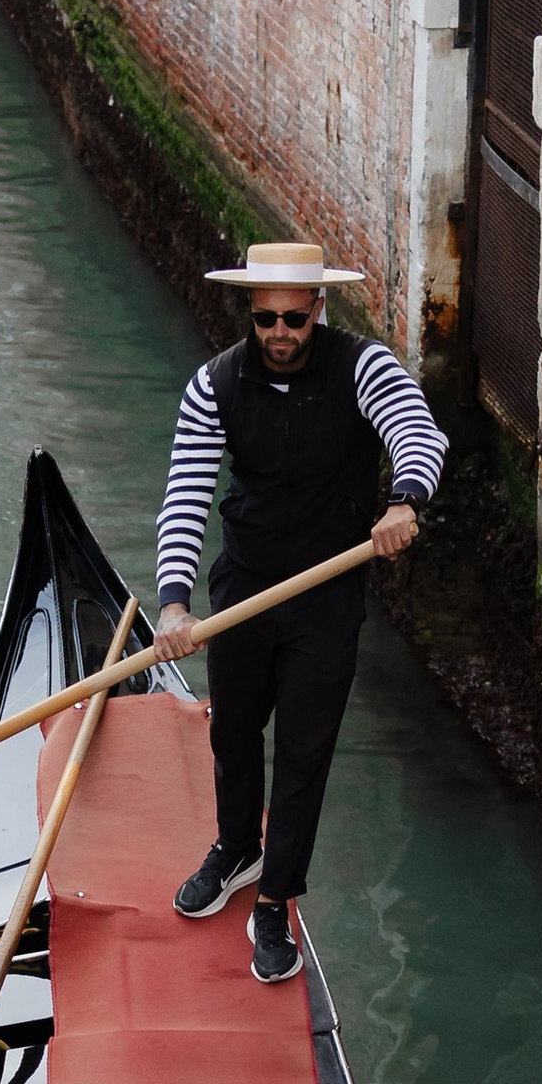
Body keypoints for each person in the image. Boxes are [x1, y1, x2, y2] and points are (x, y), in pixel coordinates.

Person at [147, 241, 446, 987]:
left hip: (326, 591)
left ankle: (274, 899)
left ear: (320, 309)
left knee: (305, 752)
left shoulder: (363, 366)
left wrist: (405, 498)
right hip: (245, 584)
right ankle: (236, 848)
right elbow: (187, 490)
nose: (279, 332)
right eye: (265, 318)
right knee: (235, 731)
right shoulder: (215, 382)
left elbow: (419, 431)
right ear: (251, 314)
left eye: (293, 318)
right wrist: (174, 601)